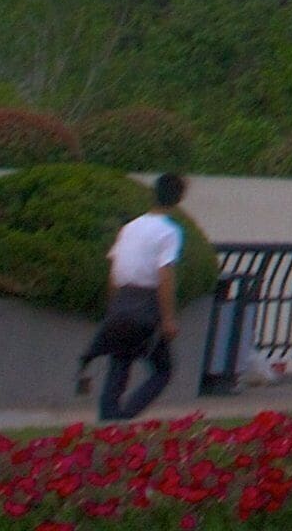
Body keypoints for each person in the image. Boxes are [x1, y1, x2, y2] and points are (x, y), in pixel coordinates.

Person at [84, 174, 188, 422]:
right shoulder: (169, 231)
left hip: (123, 301)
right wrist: (168, 319)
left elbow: (114, 270)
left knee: (120, 361)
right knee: (163, 370)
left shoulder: (130, 227)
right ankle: (125, 416)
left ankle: (108, 418)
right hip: (146, 304)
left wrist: (113, 308)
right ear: (178, 199)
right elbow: (165, 276)